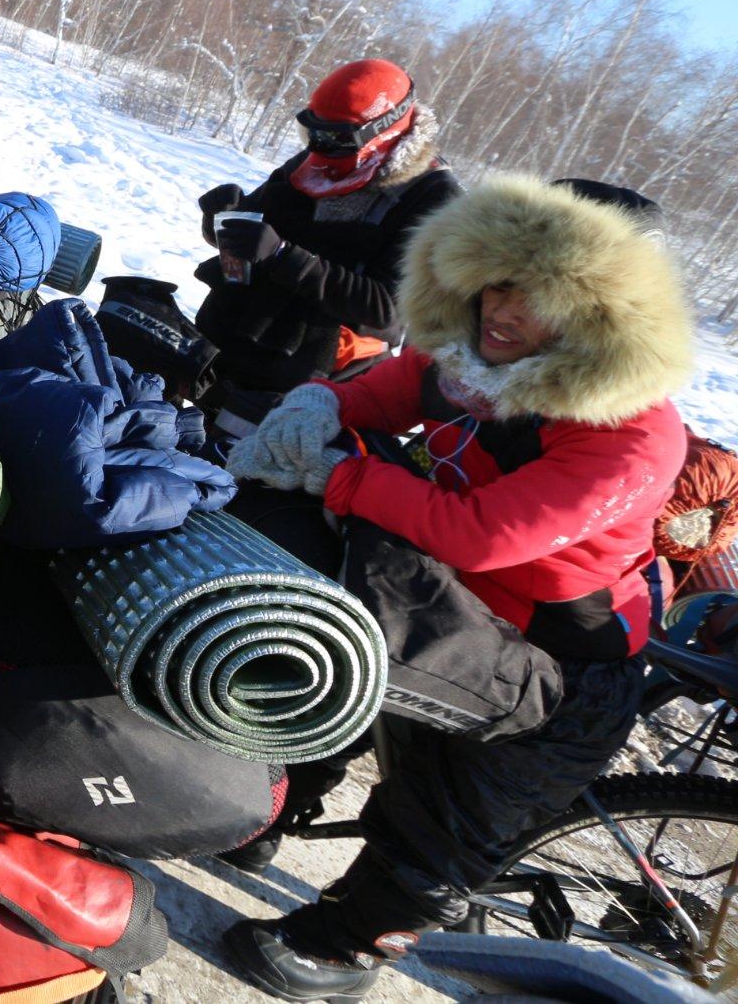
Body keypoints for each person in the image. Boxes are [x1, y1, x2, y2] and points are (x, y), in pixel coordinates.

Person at [219, 174, 694, 1001]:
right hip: (453, 595)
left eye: (540, 294)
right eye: (499, 278)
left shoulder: (635, 432)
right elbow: (394, 386)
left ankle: (346, 949)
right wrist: (322, 401)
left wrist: (341, 475)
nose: (505, 308)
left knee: (438, 821)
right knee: (336, 658)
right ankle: (270, 806)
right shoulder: (476, 348)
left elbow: (485, 530)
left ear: (606, 316)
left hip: (553, 663)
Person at [194, 59, 459, 430]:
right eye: (312, 133)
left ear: (380, 131)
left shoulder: (433, 198)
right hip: (227, 345)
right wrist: (223, 220)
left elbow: (387, 308)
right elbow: (256, 236)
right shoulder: (317, 160)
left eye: (336, 137)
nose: (319, 148)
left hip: (314, 382)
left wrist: (283, 256)